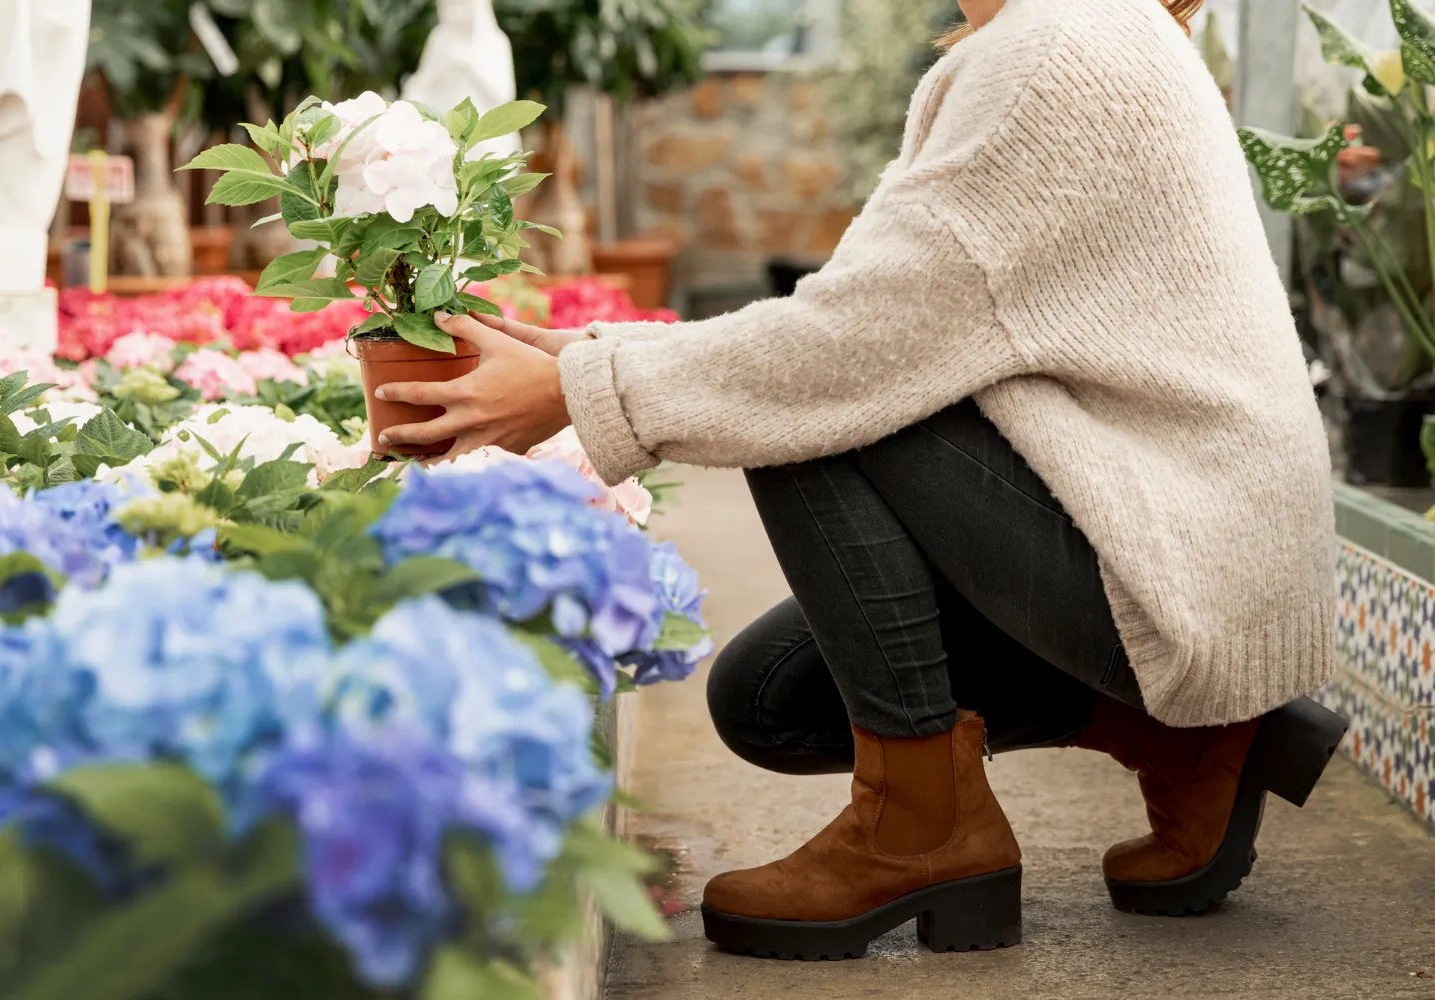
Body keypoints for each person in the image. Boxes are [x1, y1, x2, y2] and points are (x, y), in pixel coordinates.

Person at [374, 0, 1350, 961]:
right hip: (1175, 532)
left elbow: (848, 347)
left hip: (1181, 558)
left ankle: (923, 828)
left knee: (810, 405)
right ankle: (1184, 740)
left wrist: (576, 390)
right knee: (771, 698)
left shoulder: (1056, 45)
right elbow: (868, 310)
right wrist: (580, 356)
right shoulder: (1059, 33)